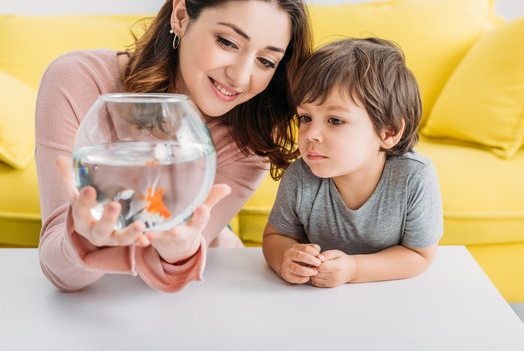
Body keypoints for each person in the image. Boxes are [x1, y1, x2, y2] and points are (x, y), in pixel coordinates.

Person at [36, 0, 311, 292]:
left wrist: (182, 252)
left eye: (266, 61)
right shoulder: (77, 79)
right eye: (228, 42)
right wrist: (84, 238)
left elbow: (159, 268)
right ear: (180, 16)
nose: (241, 77)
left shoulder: (251, 139)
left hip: (215, 285)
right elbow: (61, 275)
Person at [262, 38, 444, 287]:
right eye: (305, 117)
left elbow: (419, 255)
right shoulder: (300, 177)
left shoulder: (414, 177)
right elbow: (276, 236)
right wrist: (285, 258)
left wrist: (354, 269)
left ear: (388, 132)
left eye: (335, 120)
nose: (310, 134)